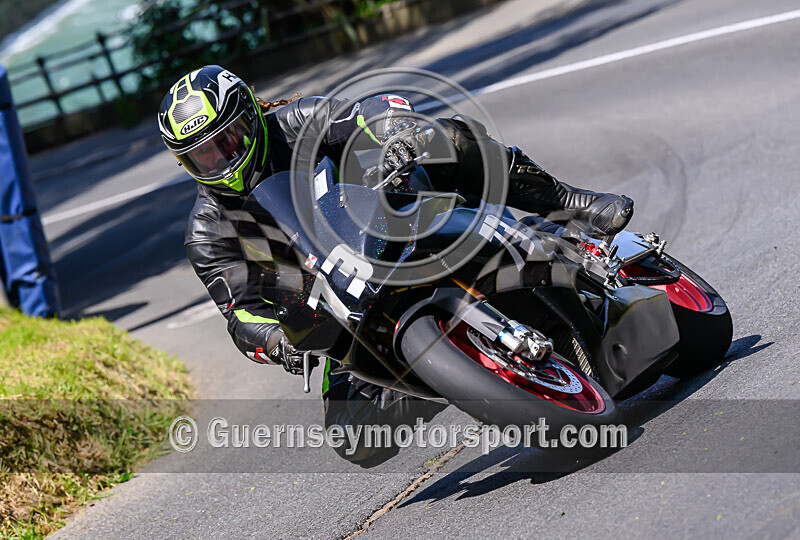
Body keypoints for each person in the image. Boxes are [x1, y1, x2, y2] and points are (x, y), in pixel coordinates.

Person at [158, 65, 633, 467]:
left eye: (227, 141)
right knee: (354, 437)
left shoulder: (296, 122)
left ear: (251, 116)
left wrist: (396, 132)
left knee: (446, 137)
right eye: (202, 155)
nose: (220, 159)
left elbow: (370, 111)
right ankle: (445, 378)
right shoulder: (208, 233)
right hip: (340, 307)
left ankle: (568, 203)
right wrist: (275, 341)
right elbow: (240, 312)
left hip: (392, 222)